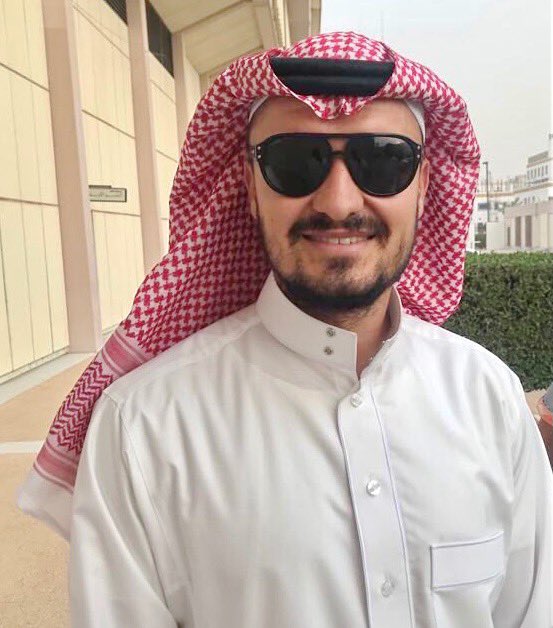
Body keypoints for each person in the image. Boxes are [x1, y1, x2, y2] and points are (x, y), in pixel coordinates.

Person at [18, 32, 551, 627]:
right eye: (296, 162)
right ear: (250, 186)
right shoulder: (143, 428)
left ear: (424, 186)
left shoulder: (490, 399)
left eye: (384, 159)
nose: (339, 202)